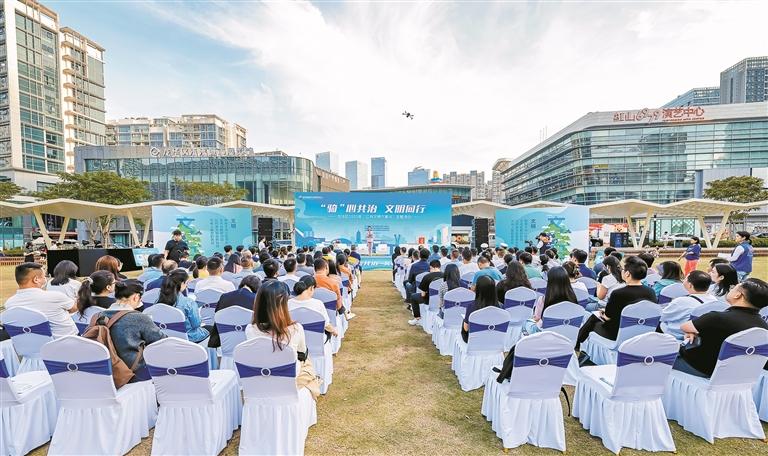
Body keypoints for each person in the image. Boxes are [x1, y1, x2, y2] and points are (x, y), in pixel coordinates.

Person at [674, 278, 768, 378]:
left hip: (698, 367)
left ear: (738, 295)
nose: (731, 289)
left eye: (733, 288)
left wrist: (692, 331)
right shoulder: (763, 326)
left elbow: (684, 326)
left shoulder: (717, 318)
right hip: (731, 375)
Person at [245, 280, 321, 399]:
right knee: (306, 360)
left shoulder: (250, 330)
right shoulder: (296, 329)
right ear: (284, 304)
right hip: (289, 378)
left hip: (263, 375)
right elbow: (302, 354)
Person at [576, 256, 657, 350]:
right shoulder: (651, 292)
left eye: (623, 269)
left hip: (616, 333)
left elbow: (608, 317)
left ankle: (577, 346)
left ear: (627, 274)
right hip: (642, 331)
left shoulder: (618, 293)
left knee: (593, 318)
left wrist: (603, 313)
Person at [95, 280, 166, 382]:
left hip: (105, 371)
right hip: (133, 373)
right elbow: (162, 341)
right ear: (136, 297)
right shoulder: (139, 318)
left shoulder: (98, 316)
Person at [4, 262, 78, 338]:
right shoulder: (55, 297)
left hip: (28, 343)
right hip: (66, 341)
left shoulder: (9, 304)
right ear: (36, 279)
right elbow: (74, 308)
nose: (46, 279)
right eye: (44, 276)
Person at [659, 271, 717, 341]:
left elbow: (662, 316)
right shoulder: (714, 300)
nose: (683, 280)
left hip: (679, 336)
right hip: (701, 336)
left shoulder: (681, 301)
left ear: (690, 285)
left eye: (685, 279)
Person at [207, 275, 262, 348]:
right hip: (250, 345)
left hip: (224, 344)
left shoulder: (224, 297)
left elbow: (217, 318)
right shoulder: (257, 300)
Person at [157, 269, 210, 343]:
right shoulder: (188, 303)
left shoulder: (157, 303)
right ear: (182, 283)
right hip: (190, 338)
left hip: (166, 337)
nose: (187, 285)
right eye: (186, 283)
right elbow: (196, 325)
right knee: (211, 329)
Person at [525, 266, 578, 334]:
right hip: (566, 333)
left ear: (549, 282)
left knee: (526, 323)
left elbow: (537, 318)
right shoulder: (572, 298)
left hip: (545, 333)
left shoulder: (543, 299)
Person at [461, 276, 499, 343]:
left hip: (475, 340)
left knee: (465, 321)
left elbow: (466, 328)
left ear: (478, 288)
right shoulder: (500, 307)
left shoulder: (471, 306)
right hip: (494, 339)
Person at [408, 260, 443, 326]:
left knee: (413, 297)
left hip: (429, 300)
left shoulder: (427, 276)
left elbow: (423, 294)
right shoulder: (445, 276)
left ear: (432, 267)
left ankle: (417, 318)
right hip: (441, 300)